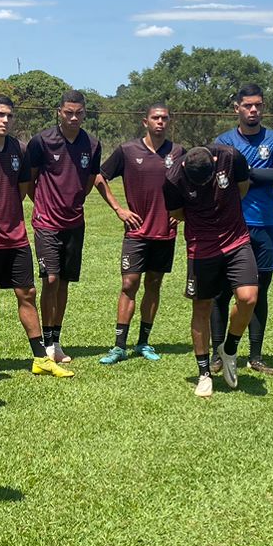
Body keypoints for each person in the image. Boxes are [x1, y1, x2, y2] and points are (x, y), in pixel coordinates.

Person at [0, 95, 68, 377]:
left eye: (9, 115)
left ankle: (40, 358)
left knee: (28, 293)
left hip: (15, 237)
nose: (5, 120)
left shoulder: (19, 150)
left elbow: (23, 188)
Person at [165, 145, 257, 397]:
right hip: (201, 246)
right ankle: (204, 373)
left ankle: (229, 349)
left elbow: (241, 188)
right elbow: (176, 213)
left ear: (214, 162)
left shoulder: (229, 156)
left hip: (237, 240)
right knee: (201, 307)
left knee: (248, 298)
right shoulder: (173, 179)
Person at [212, 85, 273, 373]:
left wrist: (241, 172)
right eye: (247, 105)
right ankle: (218, 354)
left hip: (264, 228)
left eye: (257, 105)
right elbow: (215, 177)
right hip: (229, 227)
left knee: (260, 293)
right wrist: (262, 174)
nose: (253, 110)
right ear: (237, 108)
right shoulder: (222, 141)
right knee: (221, 293)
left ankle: (255, 357)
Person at [96, 103, 183, 364]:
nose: (160, 122)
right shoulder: (127, 150)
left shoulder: (178, 152)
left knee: (153, 285)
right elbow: (99, 177)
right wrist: (119, 209)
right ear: (145, 121)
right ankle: (119, 346)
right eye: (155, 118)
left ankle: (144, 342)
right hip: (136, 232)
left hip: (165, 232)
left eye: (165, 118)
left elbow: (191, 184)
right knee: (128, 284)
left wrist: (181, 212)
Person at [26, 90, 101, 365]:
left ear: (84, 113)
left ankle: (56, 340)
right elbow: (29, 182)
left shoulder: (92, 144)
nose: (73, 117)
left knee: (65, 282)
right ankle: (46, 342)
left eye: (79, 113)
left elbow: (91, 179)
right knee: (51, 279)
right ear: (59, 112)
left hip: (74, 222)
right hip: (46, 223)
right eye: (68, 112)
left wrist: (72, 202)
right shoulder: (41, 141)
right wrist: (45, 205)